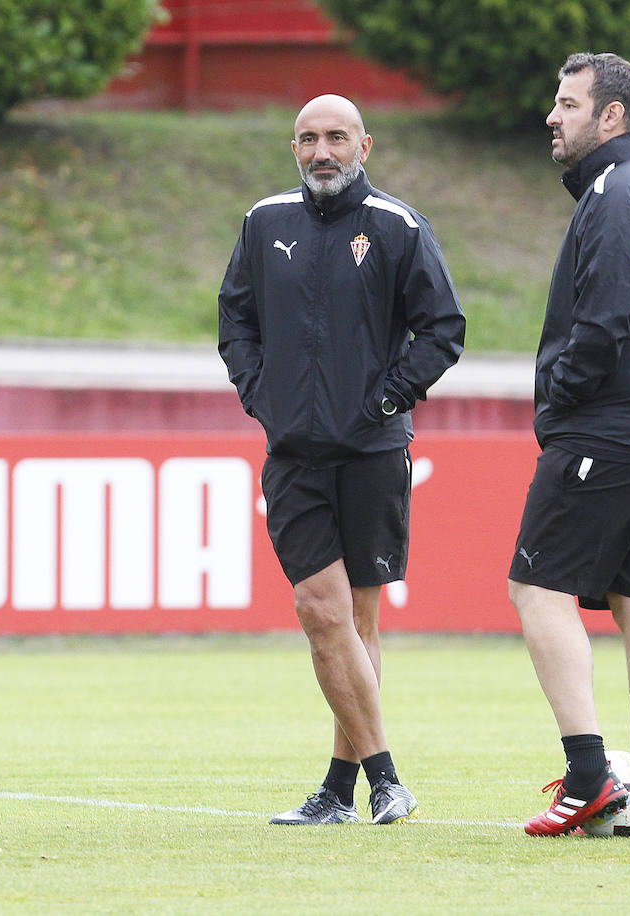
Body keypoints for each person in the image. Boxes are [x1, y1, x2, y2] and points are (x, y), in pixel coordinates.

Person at [219, 94, 465, 826]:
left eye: (335, 137)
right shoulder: (265, 223)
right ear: (293, 149)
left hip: (372, 451)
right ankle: (387, 777)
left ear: (366, 145)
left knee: (359, 623)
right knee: (318, 610)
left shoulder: (395, 226)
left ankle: (337, 789)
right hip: (293, 453)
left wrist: (386, 400)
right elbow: (236, 318)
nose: (321, 150)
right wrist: (260, 394)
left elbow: (442, 328)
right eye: (307, 139)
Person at [509, 53, 630, 837]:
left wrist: (560, 397)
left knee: (536, 589)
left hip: (610, 428)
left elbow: (606, 319)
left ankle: (590, 777)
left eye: (567, 103)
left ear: (611, 117)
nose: (553, 117)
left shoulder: (617, 191)